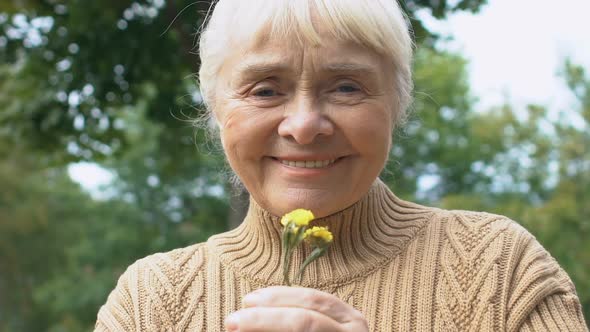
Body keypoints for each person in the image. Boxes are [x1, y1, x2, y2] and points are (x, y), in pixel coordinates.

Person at [95, 0, 587, 331]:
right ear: (217, 109)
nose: (305, 125)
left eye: (347, 86)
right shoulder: (152, 301)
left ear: (396, 104)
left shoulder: (501, 271)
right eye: (265, 89)